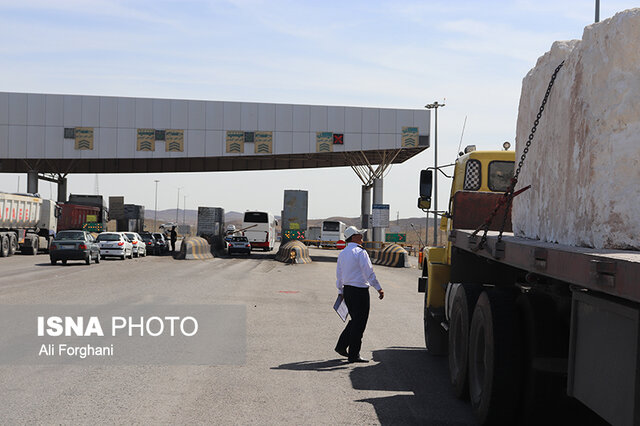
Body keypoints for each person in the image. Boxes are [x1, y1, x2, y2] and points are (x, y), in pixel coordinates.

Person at [334, 226, 384, 363]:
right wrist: (378, 288)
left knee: (355, 321)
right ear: (353, 237)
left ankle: (341, 346)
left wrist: (341, 291)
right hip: (360, 292)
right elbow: (369, 272)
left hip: (348, 291)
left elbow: (339, 275)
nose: (362, 237)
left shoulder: (343, 253)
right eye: (359, 235)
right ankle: (353, 354)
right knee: (359, 323)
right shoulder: (360, 252)